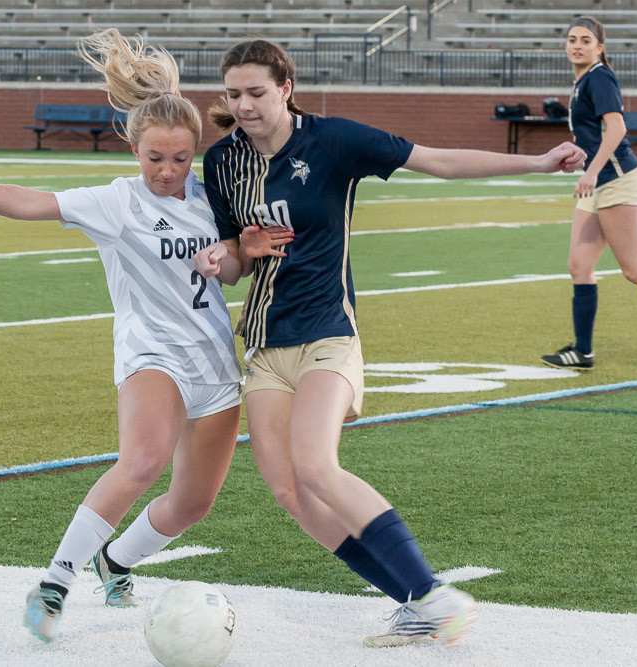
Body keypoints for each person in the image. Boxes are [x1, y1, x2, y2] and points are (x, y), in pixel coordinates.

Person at [194, 39, 587, 650]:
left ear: (286, 88)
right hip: (265, 345)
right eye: (234, 94)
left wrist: (536, 165)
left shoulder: (334, 140)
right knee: (289, 492)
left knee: (317, 465)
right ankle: (414, 602)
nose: (243, 105)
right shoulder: (221, 163)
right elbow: (236, 264)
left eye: (256, 92)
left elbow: (438, 162)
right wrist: (224, 255)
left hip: (327, 333)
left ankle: (431, 592)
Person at [0, 29, 284, 643]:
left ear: (197, 151)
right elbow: (30, 201)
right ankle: (56, 582)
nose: (168, 171)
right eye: (155, 158)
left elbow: (236, 270)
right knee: (142, 460)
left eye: (181, 158)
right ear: (133, 150)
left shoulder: (212, 195)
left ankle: (118, 562)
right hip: (151, 353)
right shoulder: (116, 202)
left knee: (192, 504)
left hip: (215, 360)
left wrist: (235, 253)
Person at [540, 16, 637, 376]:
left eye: (585, 40)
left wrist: (594, 171)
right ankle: (583, 351)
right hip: (598, 180)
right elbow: (594, 136)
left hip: (619, 180)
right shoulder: (582, 80)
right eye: (571, 39)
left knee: (634, 268)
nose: (577, 45)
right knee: (579, 266)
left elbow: (617, 128)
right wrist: (581, 160)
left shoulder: (599, 76)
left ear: (600, 47)